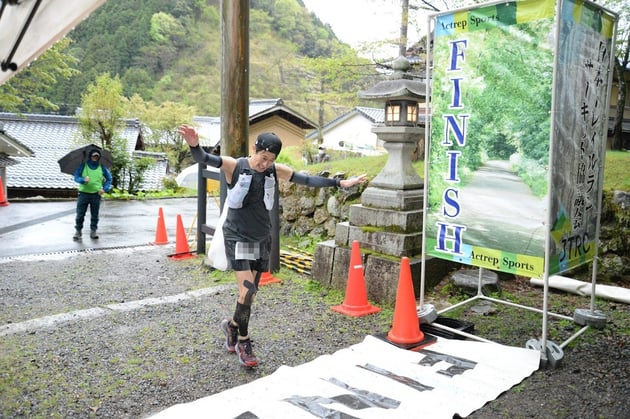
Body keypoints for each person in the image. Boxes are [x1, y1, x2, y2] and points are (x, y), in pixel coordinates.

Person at [178, 125, 367, 368]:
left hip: (260, 237)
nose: (264, 164)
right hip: (237, 237)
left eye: (270, 160)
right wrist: (194, 144)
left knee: (250, 295)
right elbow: (204, 158)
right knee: (246, 290)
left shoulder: (275, 171)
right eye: (262, 157)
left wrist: (340, 184)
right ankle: (244, 342)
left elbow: (307, 180)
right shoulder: (234, 166)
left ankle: (232, 326)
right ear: (253, 149)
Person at [73, 148, 113, 240]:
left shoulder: (102, 167)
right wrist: (83, 180)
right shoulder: (83, 166)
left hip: (96, 194)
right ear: (90, 156)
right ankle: (78, 231)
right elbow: (76, 176)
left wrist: (105, 189)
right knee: (80, 214)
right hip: (83, 194)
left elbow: (109, 179)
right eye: (93, 156)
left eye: (97, 156)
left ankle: (93, 231)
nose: (95, 157)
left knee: (95, 215)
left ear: (99, 157)